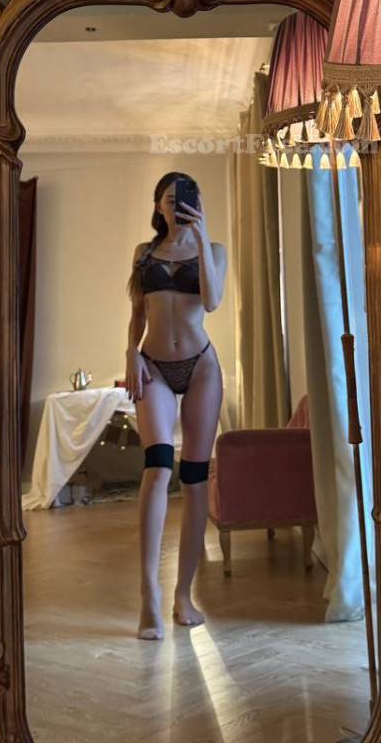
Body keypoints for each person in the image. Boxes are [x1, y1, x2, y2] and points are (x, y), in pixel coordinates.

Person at [125, 171, 226, 641]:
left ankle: (183, 595)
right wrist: (130, 352)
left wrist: (201, 237)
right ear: (158, 206)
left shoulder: (214, 250)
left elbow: (212, 301)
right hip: (154, 369)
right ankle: (149, 595)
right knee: (157, 468)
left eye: (188, 196)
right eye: (170, 198)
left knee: (194, 478)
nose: (179, 203)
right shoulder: (143, 253)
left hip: (201, 367)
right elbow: (137, 313)